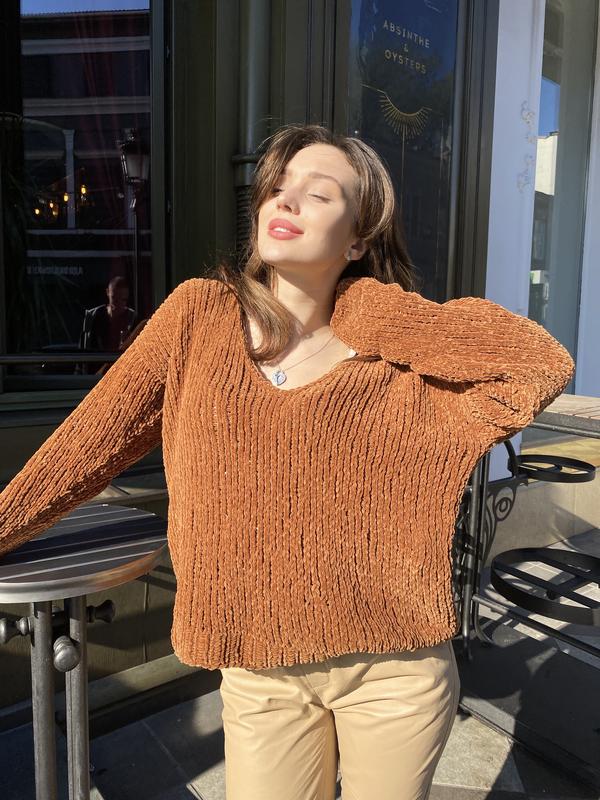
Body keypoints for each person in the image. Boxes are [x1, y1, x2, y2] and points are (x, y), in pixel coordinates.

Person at [0, 124, 575, 800]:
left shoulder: (400, 367)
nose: (286, 199)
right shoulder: (197, 319)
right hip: (260, 674)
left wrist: (374, 312)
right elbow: (84, 446)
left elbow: (539, 363)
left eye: (319, 193)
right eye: (277, 186)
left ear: (358, 238)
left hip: (395, 671)